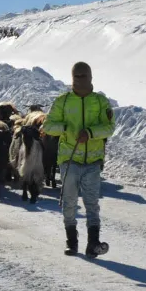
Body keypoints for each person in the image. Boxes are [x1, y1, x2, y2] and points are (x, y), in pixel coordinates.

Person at [42, 61, 115, 258]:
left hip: (92, 161)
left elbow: (109, 128)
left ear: (91, 77)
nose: (80, 80)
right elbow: (48, 126)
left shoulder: (100, 102)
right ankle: (71, 242)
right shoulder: (63, 101)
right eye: (77, 76)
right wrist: (66, 128)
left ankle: (93, 243)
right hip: (69, 159)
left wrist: (91, 133)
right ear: (72, 78)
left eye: (84, 76)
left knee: (92, 203)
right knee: (69, 202)